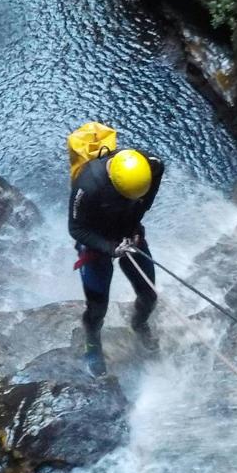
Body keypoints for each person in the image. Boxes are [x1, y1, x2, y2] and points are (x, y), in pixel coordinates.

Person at [68, 146, 165, 376]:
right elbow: (76, 228)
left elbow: (145, 200)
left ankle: (139, 324)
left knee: (149, 295)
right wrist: (109, 248)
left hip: (129, 232)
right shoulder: (88, 184)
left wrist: (134, 227)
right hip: (97, 243)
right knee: (97, 307)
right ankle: (92, 343)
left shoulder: (153, 167)